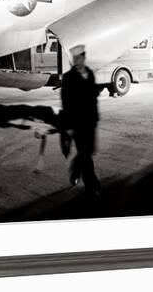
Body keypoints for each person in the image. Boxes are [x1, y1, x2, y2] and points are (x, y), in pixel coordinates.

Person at [61, 44, 101, 196]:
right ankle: (93, 186)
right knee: (85, 155)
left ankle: (75, 170)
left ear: (84, 57)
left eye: (79, 58)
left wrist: (96, 118)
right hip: (77, 124)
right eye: (74, 58)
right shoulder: (68, 78)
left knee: (88, 152)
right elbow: (66, 104)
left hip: (90, 122)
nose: (76, 61)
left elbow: (93, 99)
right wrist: (68, 126)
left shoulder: (90, 74)